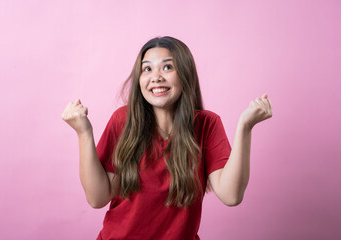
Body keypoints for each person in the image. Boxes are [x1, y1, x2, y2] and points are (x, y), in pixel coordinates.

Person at [61, 36, 273, 240]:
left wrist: (245, 127)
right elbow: (97, 198)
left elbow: (231, 195)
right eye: (147, 69)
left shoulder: (207, 124)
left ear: (185, 74)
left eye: (167, 67)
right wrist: (84, 133)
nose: (156, 77)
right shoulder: (123, 120)